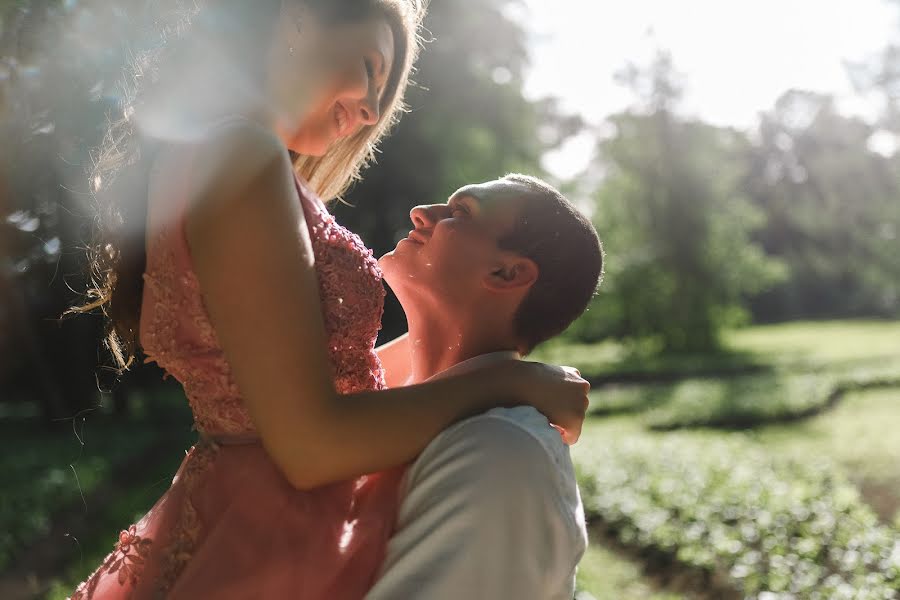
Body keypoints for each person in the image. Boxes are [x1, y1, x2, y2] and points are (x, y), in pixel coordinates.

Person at [68, 1, 590, 598]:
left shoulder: (217, 156)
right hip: (279, 538)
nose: (371, 109)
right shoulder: (244, 155)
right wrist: (513, 383)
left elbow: (338, 380)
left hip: (253, 516)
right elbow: (310, 446)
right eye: (370, 67)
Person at [367, 174, 603, 599]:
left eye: (460, 212)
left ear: (507, 272)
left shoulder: (501, 453)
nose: (421, 213)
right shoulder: (367, 401)